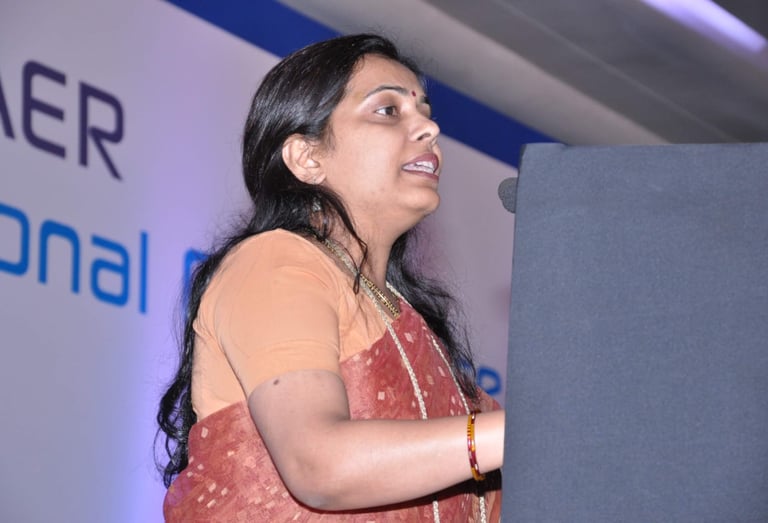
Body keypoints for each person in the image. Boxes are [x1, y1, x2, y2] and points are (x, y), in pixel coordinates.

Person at [157, 33, 505, 521]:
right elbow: (318, 464)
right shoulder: (276, 261)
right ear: (308, 158)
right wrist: (517, 436)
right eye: (388, 110)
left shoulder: (418, 333)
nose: (429, 128)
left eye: (425, 112)